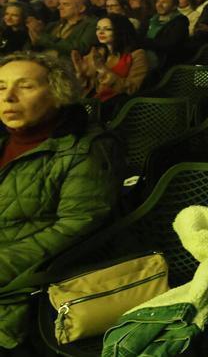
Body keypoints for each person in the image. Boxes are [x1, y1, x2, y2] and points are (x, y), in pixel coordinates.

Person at [0, 52, 118, 351]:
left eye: (25, 86)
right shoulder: (5, 138)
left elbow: (78, 224)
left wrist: (5, 262)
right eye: (1, 87)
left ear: (57, 93)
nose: (9, 97)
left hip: (26, 285)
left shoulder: (83, 149)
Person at [72, 15, 149, 110]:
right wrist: (80, 73)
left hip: (118, 106)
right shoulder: (98, 52)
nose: (100, 32)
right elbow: (89, 88)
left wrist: (104, 70)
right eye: (98, 28)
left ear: (120, 31)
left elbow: (133, 88)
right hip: (93, 102)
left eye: (107, 29)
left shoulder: (137, 54)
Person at [29, 0, 97, 59]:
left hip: (66, 66)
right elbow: (36, 47)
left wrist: (43, 37)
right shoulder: (53, 25)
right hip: (44, 62)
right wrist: (34, 32)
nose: (59, 7)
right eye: (59, 4)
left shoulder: (92, 25)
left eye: (66, 4)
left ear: (81, 8)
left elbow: (81, 48)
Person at [143, 0, 189, 69]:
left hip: (164, 61)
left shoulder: (180, 21)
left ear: (174, 6)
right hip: (143, 56)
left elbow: (169, 44)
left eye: (164, 2)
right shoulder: (150, 18)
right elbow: (138, 36)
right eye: (158, 2)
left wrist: (145, 42)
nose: (159, 5)